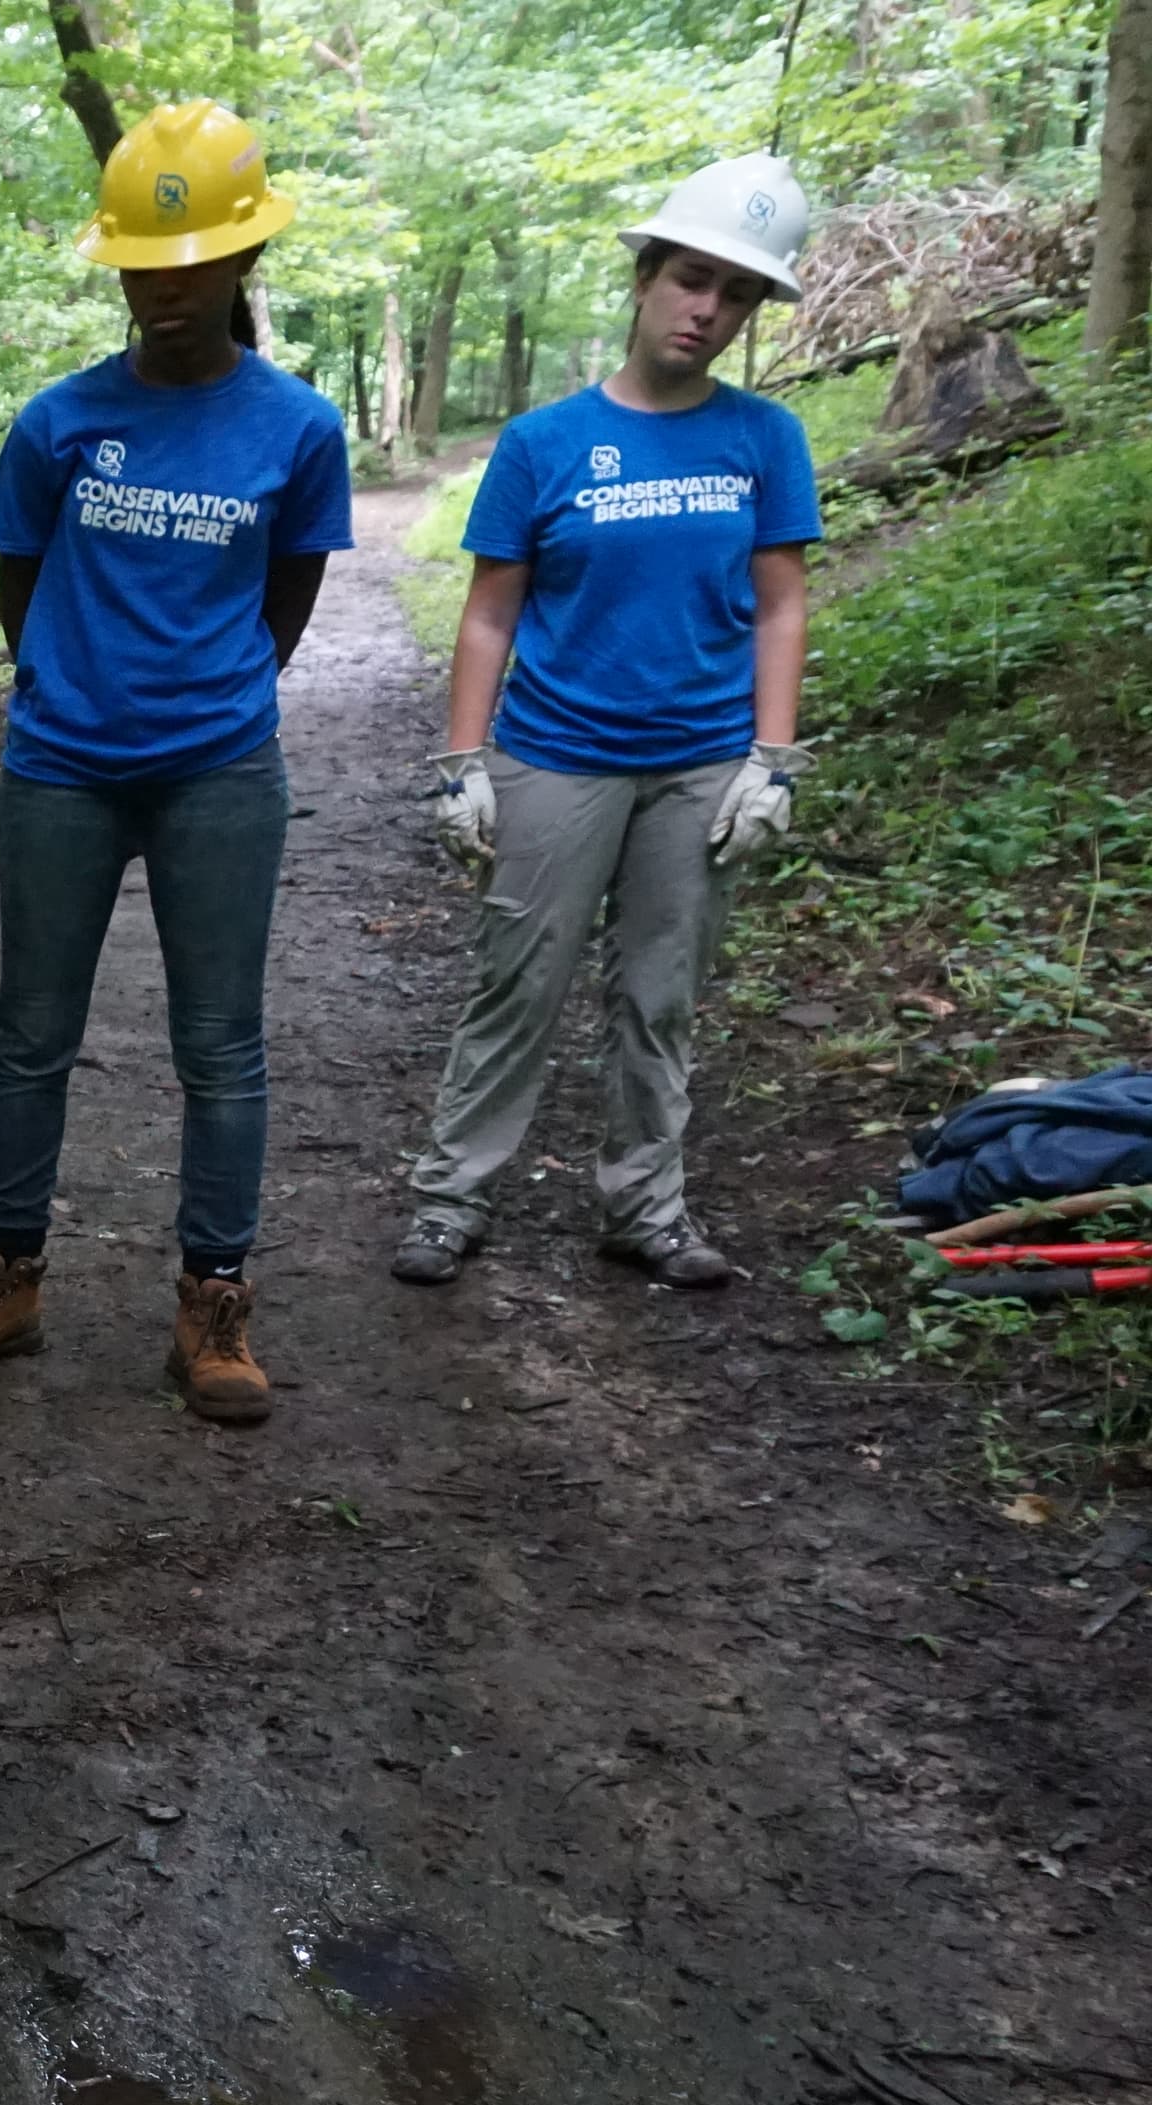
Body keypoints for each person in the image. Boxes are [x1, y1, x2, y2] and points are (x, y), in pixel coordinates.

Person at [0, 101, 351, 1425]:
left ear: (242, 260)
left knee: (221, 1044)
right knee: (32, 1034)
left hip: (219, 768)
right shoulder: (60, 423)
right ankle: (6, 1279)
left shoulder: (297, 427)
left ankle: (213, 1307)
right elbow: (22, 584)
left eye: (189, 260)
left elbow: (291, 595)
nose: (162, 287)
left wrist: (214, 695)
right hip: (62, 765)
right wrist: (64, 683)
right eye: (140, 263)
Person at [395, 156, 820, 1292]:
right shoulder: (545, 442)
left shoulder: (763, 438)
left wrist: (772, 760)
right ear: (644, 276)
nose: (707, 311)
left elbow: (780, 602)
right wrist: (460, 763)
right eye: (690, 281)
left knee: (659, 992)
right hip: (554, 754)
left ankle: (647, 1207)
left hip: (699, 764)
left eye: (735, 297)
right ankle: (450, 1198)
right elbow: (491, 614)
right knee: (517, 981)